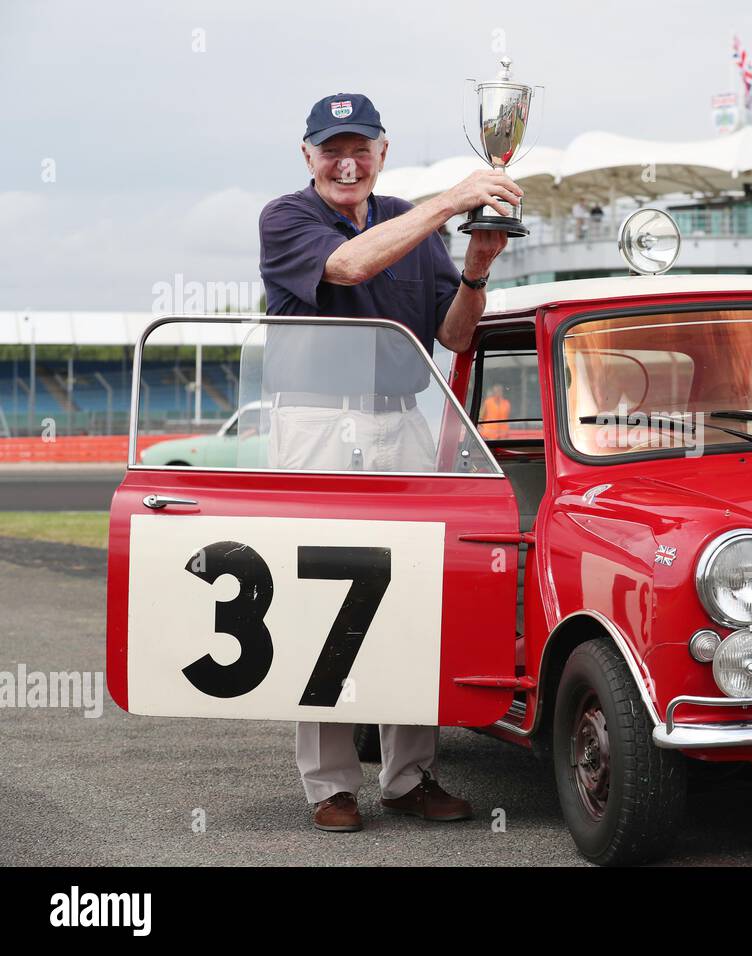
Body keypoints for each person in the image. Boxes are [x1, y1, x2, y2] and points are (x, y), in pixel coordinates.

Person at [258, 92, 522, 833]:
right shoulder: (287, 217)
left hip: (400, 421)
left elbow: (456, 337)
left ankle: (408, 776)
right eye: (331, 148)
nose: (347, 161)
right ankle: (330, 784)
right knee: (322, 599)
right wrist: (450, 203)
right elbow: (343, 267)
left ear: (382, 150)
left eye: (361, 147)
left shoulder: (412, 219)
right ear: (306, 156)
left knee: (410, 597)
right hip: (316, 420)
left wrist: (474, 270)